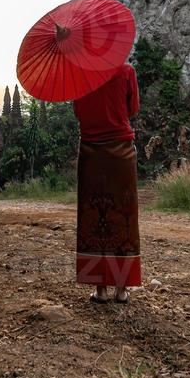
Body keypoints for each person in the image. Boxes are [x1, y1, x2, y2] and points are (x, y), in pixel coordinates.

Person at [72, 62, 141, 304]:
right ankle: (121, 290)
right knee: (124, 216)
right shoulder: (126, 71)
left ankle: (100, 290)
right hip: (120, 150)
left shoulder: (80, 74)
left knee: (93, 216)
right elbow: (132, 109)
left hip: (90, 152)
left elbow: (79, 112)